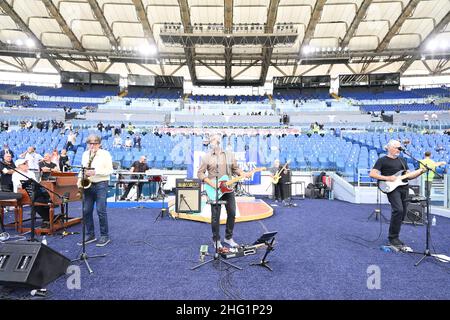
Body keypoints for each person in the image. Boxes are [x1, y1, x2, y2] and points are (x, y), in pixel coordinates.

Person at [197, 134, 252, 249]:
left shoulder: (229, 155)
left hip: (228, 189)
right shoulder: (206, 157)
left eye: (214, 139)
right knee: (215, 216)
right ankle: (216, 240)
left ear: (219, 141)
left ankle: (228, 237)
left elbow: (235, 168)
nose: (212, 141)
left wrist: (243, 174)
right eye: (211, 139)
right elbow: (200, 173)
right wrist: (211, 183)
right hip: (214, 190)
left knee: (232, 213)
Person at [369, 140, 424, 248]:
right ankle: (392, 238)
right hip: (392, 188)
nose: (399, 149)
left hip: (404, 187)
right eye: (396, 147)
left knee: (402, 213)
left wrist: (420, 172)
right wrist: (387, 177)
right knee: (398, 210)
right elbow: (372, 174)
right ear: (389, 148)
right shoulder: (382, 160)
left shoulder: (402, 160)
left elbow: (408, 176)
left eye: (400, 147)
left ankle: (396, 236)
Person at [78, 134, 113, 247]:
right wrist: (79, 180)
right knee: (86, 210)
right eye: (90, 143)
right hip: (88, 185)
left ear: (99, 144)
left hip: (101, 184)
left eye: (95, 143)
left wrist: (95, 172)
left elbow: (110, 170)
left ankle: (104, 236)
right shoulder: (85, 154)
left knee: (100, 211)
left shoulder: (105, 154)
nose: (92, 145)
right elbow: (83, 169)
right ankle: (90, 234)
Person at [12, 159, 50, 227]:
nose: (27, 164)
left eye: (27, 162)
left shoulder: (31, 173)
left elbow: (36, 184)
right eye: (24, 163)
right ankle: (47, 218)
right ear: (19, 166)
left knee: (45, 197)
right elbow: (20, 186)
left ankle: (47, 218)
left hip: (33, 193)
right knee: (38, 200)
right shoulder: (15, 174)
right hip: (22, 194)